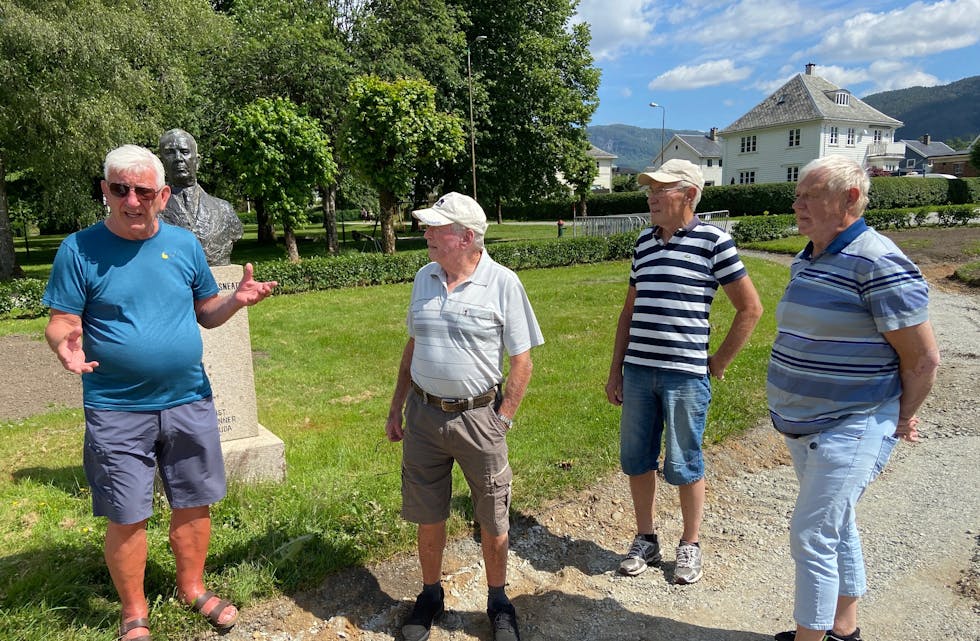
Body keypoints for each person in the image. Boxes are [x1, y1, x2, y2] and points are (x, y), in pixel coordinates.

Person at [42, 145, 277, 641]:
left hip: (189, 399)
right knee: (127, 513)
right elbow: (62, 319)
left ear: (162, 195)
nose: (131, 200)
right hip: (117, 407)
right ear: (105, 191)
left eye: (143, 190)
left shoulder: (185, 245)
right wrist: (64, 344)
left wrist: (234, 300)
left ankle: (192, 587)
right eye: (120, 189)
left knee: (194, 503)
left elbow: (205, 312)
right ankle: (134, 612)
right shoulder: (78, 249)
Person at [767, 156, 940, 641]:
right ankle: (844, 628)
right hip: (807, 425)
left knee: (812, 533)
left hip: (852, 422)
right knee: (836, 525)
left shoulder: (878, 261)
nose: (798, 203)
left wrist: (902, 418)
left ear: (850, 199)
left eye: (811, 194)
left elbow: (923, 359)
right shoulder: (811, 254)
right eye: (797, 193)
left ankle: (811, 638)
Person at [385, 192, 544, 641]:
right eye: (428, 227)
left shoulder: (504, 283)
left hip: (480, 421)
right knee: (427, 512)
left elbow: (522, 360)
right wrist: (397, 406)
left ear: (467, 237)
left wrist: (503, 419)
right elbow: (412, 345)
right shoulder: (423, 277)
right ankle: (430, 595)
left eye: (437, 228)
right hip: (423, 417)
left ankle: (498, 601)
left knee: (493, 516)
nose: (427, 234)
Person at [605, 159, 762, 584]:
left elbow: (750, 309)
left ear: (689, 195)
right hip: (638, 372)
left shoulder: (715, 242)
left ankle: (690, 544)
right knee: (637, 460)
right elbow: (629, 311)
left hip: (685, 377)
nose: (651, 197)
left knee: (684, 461)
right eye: (649, 190)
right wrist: (616, 370)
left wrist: (719, 363)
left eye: (662, 189)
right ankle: (646, 539)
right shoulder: (643, 243)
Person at [158, 128, 244, 266]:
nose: (178, 158)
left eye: (184, 152)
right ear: (161, 162)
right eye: (170, 153)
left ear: (197, 161)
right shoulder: (151, 211)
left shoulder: (224, 209)